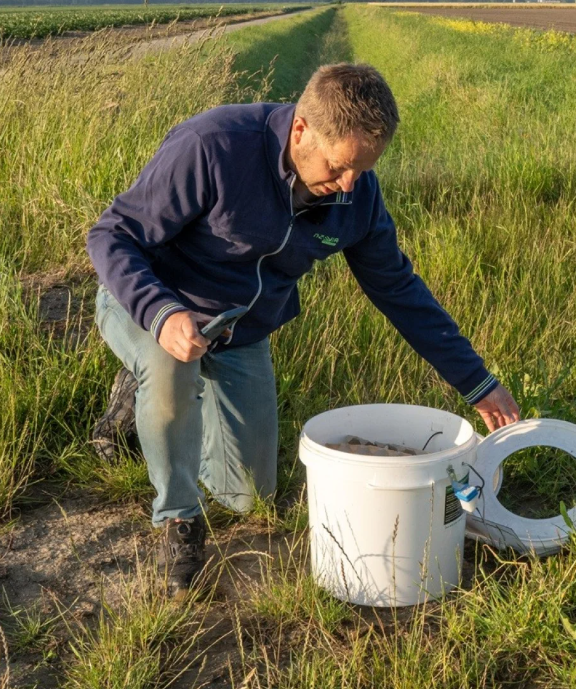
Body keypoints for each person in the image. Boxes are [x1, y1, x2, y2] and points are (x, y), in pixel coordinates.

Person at [86, 63, 521, 593]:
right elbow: (112, 235)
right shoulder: (213, 146)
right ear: (301, 131)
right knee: (172, 364)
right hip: (149, 306)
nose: (348, 186)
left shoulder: (357, 193)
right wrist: (160, 311)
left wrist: (476, 383)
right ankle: (177, 516)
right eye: (340, 168)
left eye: (362, 171)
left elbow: (399, 291)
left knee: (248, 495)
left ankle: (158, 410)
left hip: (237, 333)